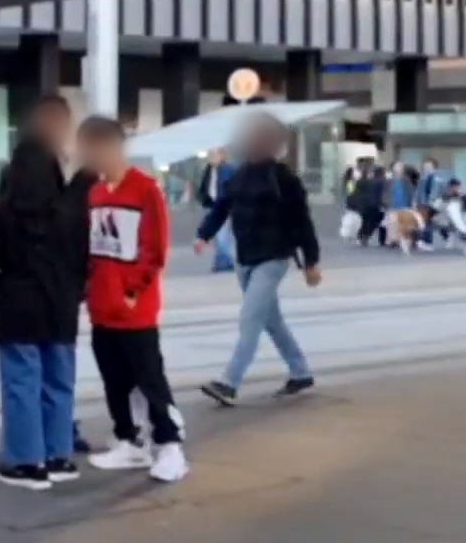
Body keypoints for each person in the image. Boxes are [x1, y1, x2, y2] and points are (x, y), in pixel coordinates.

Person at [0, 95, 91, 491]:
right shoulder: (70, 211)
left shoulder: (4, 213)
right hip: (60, 308)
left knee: (22, 381)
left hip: (18, 305)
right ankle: (59, 456)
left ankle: (25, 461)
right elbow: (82, 260)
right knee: (59, 381)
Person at [74, 117, 188, 483]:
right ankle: (129, 440)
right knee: (114, 379)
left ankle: (170, 446)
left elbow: (155, 250)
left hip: (135, 310)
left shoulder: (145, 190)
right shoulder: (94, 193)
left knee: (149, 377)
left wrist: (133, 291)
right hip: (101, 308)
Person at [196, 111, 323, 406]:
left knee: (250, 317)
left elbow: (302, 222)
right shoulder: (240, 175)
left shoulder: (284, 179)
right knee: (270, 319)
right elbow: (221, 208)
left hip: (274, 257)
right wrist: (204, 234)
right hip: (245, 257)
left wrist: (311, 262)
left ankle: (229, 382)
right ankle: (300, 371)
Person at [197, 148, 237, 272]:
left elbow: (229, 189)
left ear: (221, 155)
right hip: (213, 205)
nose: (211, 157)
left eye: (214, 154)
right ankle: (222, 261)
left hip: (223, 207)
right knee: (219, 237)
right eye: (210, 155)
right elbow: (205, 186)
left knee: (222, 236)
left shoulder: (227, 170)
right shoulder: (209, 170)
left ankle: (226, 261)